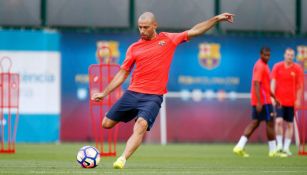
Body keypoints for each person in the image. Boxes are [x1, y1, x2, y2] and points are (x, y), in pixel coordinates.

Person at [92, 11, 234, 169]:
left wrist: (216, 19)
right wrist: (104, 93)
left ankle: (122, 158)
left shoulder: (168, 39)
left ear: (155, 26)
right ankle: (128, 119)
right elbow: (123, 73)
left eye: (146, 27)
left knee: (141, 124)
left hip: (153, 97)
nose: (142, 31)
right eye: (140, 27)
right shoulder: (134, 48)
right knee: (106, 124)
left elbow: (195, 31)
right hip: (132, 93)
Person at [233, 47, 287, 157]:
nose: (267, 57)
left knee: (255, 123)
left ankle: (239, 146)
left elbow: (265, 86)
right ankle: (273, 151)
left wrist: (275, 97)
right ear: (260, 54)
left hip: (264, 98)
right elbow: (256, 83)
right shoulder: (260, 66)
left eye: (268, 55)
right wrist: (258, 102)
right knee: (270, 123)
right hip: (263, 101)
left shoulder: (265, 66)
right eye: (265, 55)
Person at [271, 48, 304, 156]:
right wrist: (272, 96)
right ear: (284, 55)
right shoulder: (277, 66)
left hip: (291, 102)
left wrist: (298, 99)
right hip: (279, 101)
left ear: (293, 56)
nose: (289, 56)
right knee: (278, 121)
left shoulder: (297, 69)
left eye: (291, 55)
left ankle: (286, 148)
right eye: (288, 54)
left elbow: (300, 86)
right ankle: (279, 145)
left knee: (290, 125)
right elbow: (273, 82)